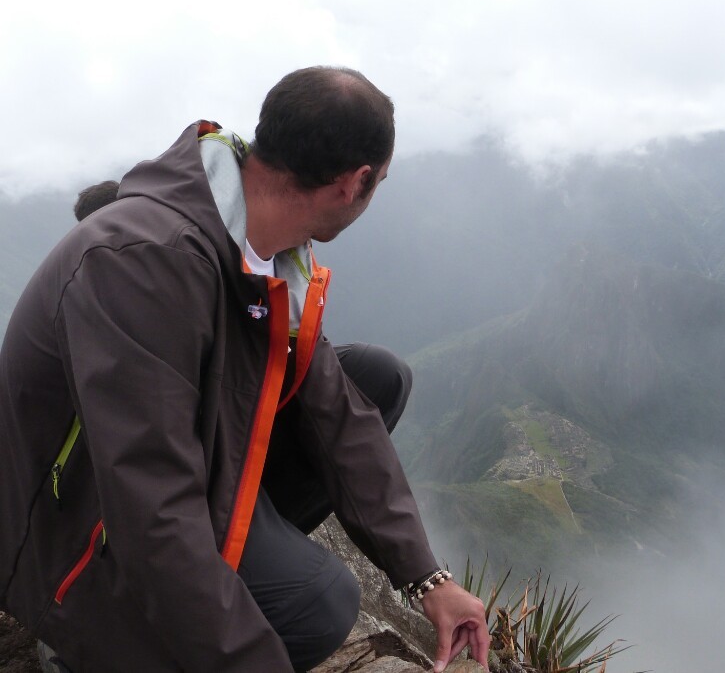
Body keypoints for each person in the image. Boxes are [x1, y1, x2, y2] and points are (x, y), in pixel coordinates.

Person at [0, 66, 489, 672]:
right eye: (379, 181)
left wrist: (428, 578)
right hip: (72, 526)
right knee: (318, 605)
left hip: (182, 456)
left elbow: (337, 413)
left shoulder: (269, 245)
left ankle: (232, 569)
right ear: (354, 181)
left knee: (377, 378)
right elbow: (149, 500)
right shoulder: (141, 262)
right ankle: (86, 638)